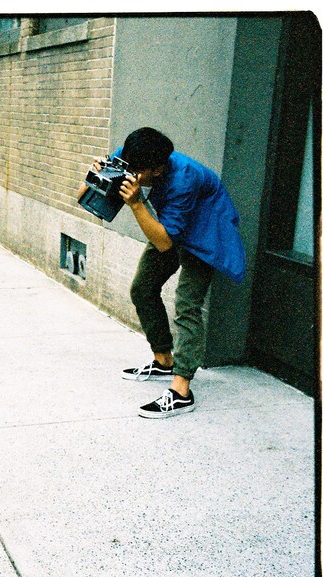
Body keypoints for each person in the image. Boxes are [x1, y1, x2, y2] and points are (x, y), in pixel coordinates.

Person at [78, 127, 245, 419]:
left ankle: (181, 391)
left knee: (187, 305)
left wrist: (136, 203)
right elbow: (81, 198)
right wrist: (94, 176)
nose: (134, 177)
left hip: (205, 231)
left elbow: (165, 242)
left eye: (141, 174)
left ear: (157, 169)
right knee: (142, 288)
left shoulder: (184, 179)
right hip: (171, 225)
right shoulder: (130, 159)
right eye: (130, 169)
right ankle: (163, 359)